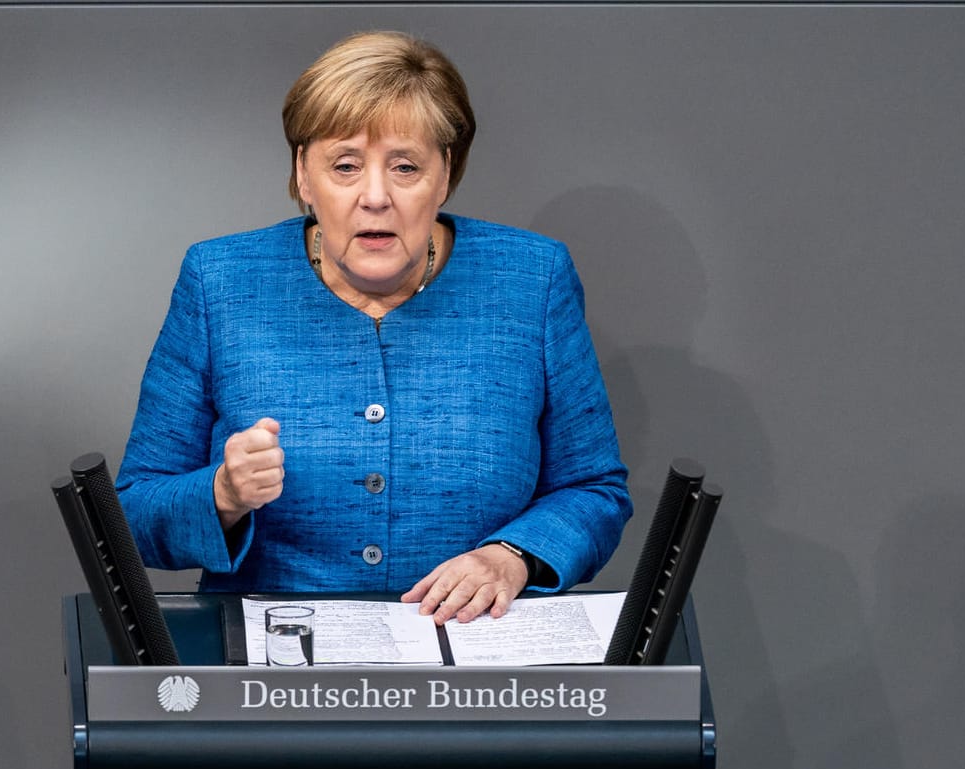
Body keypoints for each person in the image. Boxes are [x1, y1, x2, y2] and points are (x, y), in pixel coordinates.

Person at [116, 31, 631, 625]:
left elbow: (594, 490)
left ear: (446, 178)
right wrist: (222, 496)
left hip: (473, 674)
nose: (376, 196)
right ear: (303, 178)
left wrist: (511, 556)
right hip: (277, 678)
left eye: (406, 167)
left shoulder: (532, 278)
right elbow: (135, 513)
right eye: (345, 165)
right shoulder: (220, 281)